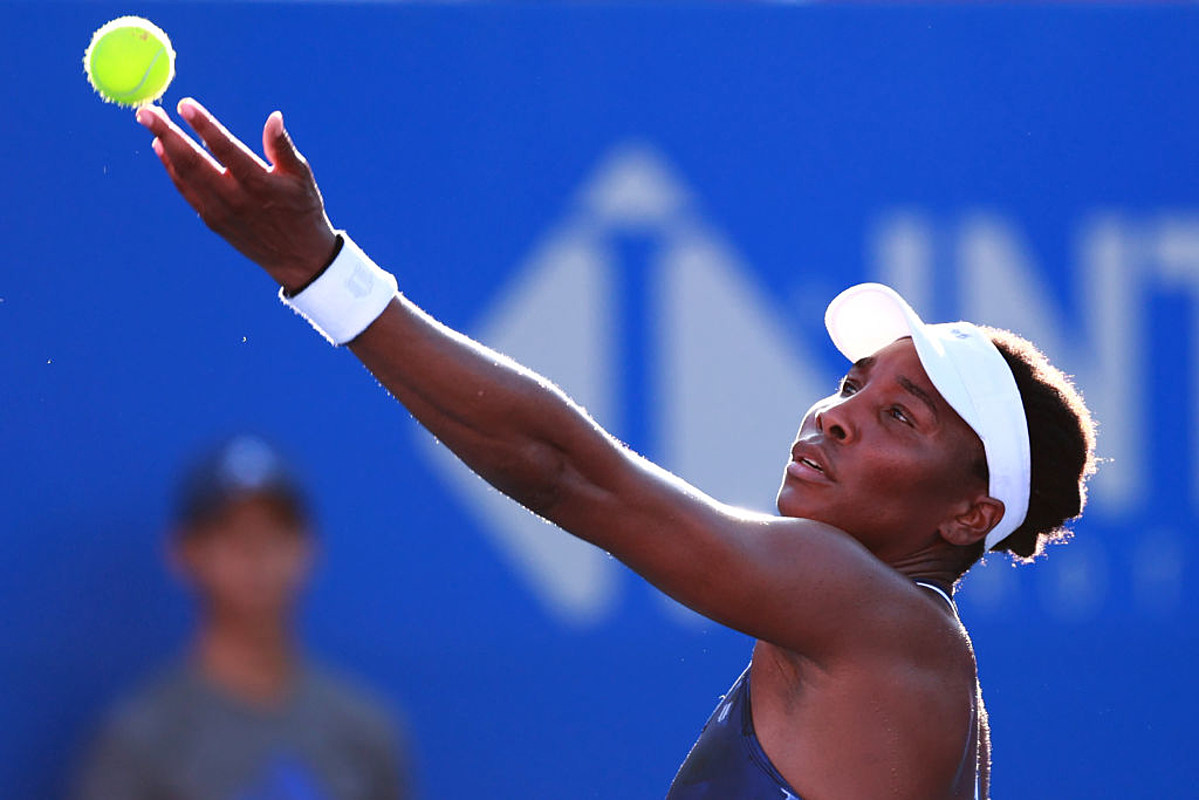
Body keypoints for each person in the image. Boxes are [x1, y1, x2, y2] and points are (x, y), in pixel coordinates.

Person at [134, 99, 1097, 800]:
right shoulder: (910, 659)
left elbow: (565, 471)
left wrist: (320, 272)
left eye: (901, 418)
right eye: (853, 387)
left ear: (968, 515)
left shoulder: (876, 619)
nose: (834, 415)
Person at [73, 434, 413, 800]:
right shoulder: (141, 738)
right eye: (233, 534)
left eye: (275, 533)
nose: (257, 555)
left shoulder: (365, 730)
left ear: (309, 549)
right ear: (184, 552)